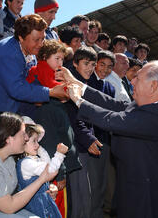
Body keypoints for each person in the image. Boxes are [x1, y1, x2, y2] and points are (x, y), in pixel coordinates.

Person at [63, 60, 158, 218]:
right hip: (133, 192)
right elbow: (114, 105)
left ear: (154, 86)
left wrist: (79, 101)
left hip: (149, 203)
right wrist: (80, 85)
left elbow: (114, 120)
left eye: (138, 78)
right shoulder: (151, 105)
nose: (132, 81)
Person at [0, 14, 67, 128]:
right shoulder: (7, 53)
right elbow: (17, 88)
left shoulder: (30, 52)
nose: (41, 44)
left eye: (43, 38)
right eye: (36, 40)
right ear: (21, 37)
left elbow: (30, 81)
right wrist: (51, 92)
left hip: (1, 110)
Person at [0, 111, 58, 217]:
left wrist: (47, 188)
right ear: (9, 139)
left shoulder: (10, 158)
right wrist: (41, 180)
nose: (26, 138)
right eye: (23, 134)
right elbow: (9, 207)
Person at [64, 47, 103, 218]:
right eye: (85, 63)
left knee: (84, 194)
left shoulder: (84, 83)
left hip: (82, 144)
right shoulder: (71, 85)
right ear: (74, 63)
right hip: (75, 147)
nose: (90, 68)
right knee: (80, 195)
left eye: (93, 65)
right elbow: (74, 117)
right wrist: (88, 139)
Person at [17, 120, 68, 218]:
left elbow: (47, 162)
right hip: (35, 208)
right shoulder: (26, 163)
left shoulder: (34, 159)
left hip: (43, 203)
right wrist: (60, 154)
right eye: (34, 141)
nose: (37, 145)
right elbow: (50, 170)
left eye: (37, 141)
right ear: (23, 141)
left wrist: (39, 148)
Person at [87, 50, 116, 218]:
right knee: (93, 180)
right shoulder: (87, 81)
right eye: (102, 64)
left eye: (109, 67)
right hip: (89, 137)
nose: (105, 70)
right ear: (95, 63)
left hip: (104, 136)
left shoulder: (110, 87)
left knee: (102, 180)